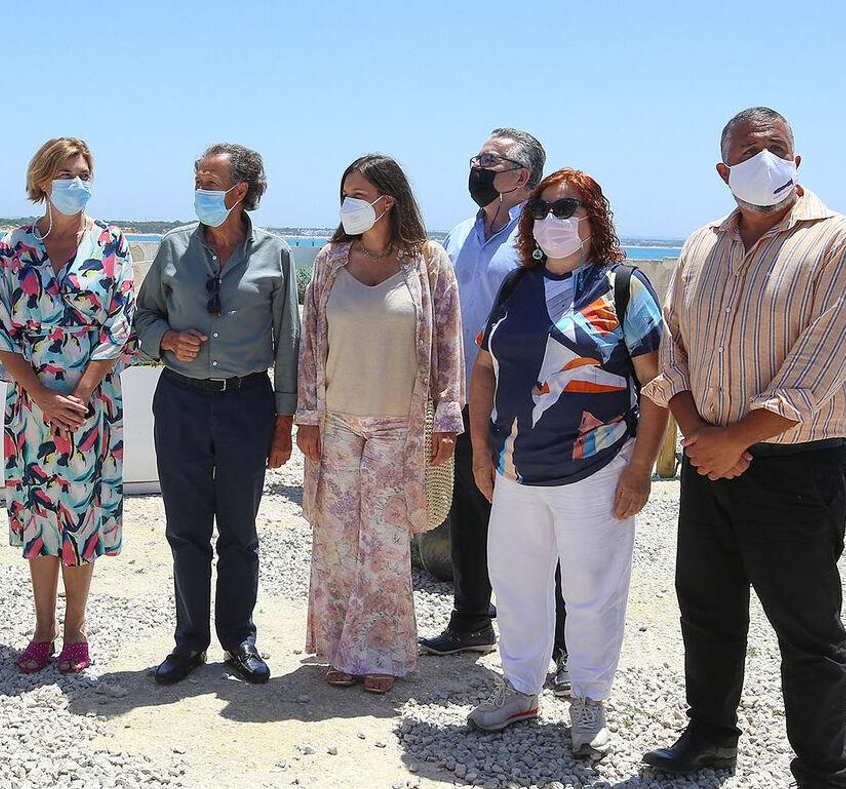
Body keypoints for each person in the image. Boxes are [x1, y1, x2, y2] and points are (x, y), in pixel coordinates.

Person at [640, 108, 846, 789]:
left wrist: (734, 439)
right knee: (707, 608)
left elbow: (820, 365)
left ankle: (822, 772)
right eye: (750, 151)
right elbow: (671, 349)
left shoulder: (840, 244)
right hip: (707, 458)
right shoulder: (699, 247)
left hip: (796, 468)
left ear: (797, 160)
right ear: (724, 171)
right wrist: (699, 435)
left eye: (777, 148)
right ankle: (711, 736)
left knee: (807, 631)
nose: (766, 158)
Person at [463, 169, 668, 759]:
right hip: (515, 466)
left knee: (591, 591)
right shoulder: (517, 286)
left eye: (567, 208)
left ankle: (589, 700)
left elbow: (656, 386)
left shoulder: (623, 288)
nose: (554, 219)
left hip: (597, 467)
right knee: (517, 582)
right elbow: (484, 370)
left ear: (593, 216)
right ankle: (521, 689)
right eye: (544, 209)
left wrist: (640, 470)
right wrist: (481, 450)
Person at [295, 155, 463, 694]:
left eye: (359, 193)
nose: (349, 203)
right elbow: (310, 346)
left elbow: (447, 343)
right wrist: (307, 417)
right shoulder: (329, 262)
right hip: (338, 422)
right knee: (337, 541)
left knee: (385, 547)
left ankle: (383, 654)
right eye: (345, 191)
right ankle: (339, 650)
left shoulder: (429, 262)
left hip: (402, 427)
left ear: (388, 201)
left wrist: (448, 417)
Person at [133, 142, 299, 686]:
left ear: (241, 191)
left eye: (211, 180)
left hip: (245, 404)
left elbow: (288, 344)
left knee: (239, 531)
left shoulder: (276, 254)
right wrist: (165, 339)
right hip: (179, 400)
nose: (201, 189)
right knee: (184, 529)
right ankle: (188, 642)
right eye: (197, 179)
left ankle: (239, 639)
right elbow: (142, 318)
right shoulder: (173, 246)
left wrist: (283, 421)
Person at [425, 128, 570, 690]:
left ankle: (561, 645)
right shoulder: (462, 232)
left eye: (493, 160)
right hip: (462, 397)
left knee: (540, 523)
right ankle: (470, 618)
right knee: (469, 511)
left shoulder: (542, 232)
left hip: (526, 401)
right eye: (478, 157)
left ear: (524, 177)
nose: (479, 166)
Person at [0, 137, 136, 674]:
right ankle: (42, 629)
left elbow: (121, 324)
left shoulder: (112, 244)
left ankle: (76, 630)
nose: (77, 181)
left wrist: (84, 390)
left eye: (85, 172)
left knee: (82, 516)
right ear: (43, 181)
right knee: (39, 516)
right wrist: (42, 395)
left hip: (93, 407)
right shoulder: (12, 247)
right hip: (31, 408)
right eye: (67, 173)